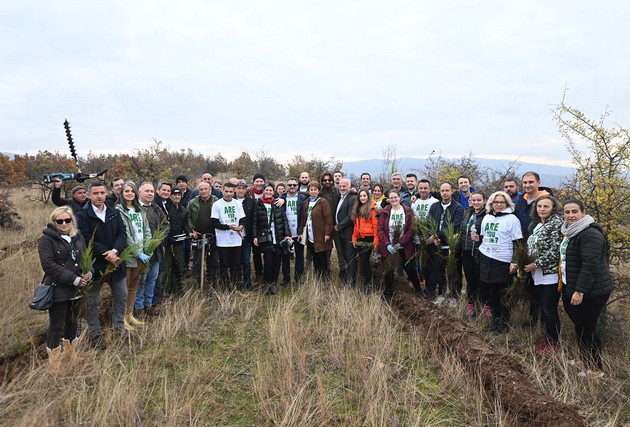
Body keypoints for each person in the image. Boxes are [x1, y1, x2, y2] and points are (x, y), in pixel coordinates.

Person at [559, 200, 613, 371]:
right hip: (572, 286)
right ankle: (584, 358)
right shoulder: (570, 232)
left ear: (583, 212)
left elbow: (590, 266)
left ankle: (595, 369)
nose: (570, 215)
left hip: (591, 291)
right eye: (567, 212)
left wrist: (579, 291)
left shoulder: (589, 234)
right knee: (580, 326)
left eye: (574, 211)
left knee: (587, 328)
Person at [76, 181, 128, 350]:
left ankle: (119, 329)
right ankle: (96, 335)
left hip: (116, 263)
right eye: (96, 193)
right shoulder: (82, 215)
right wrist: (107, 254)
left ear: (106, 194)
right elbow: (86, 238)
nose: (99, 196)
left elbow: (122, 233)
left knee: (121, 296)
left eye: (102, 193)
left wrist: (115, 250)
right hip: (95, 266)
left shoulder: (114, 212)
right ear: (89, 195)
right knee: (92, 301)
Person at [38, 206, 91, 370]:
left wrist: (89, 272)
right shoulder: (46, 240)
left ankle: (70, 354)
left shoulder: (78, 236)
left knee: (72, 321)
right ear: (53, 222)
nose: (63, 223)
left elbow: (87, 256)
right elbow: (49, 265)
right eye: (59, 221)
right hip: (58, 288)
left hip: (77, 289)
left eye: (67, 220)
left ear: (72, 220)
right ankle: (54, 362)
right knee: (56, 325)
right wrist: (73, 279)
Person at [471, 191, 523, 335]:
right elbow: (484, 237)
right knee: (489, 291)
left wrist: (515, 262)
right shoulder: (487, 218)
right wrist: (477, 239)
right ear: (491, 204)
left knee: (502, 293)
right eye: (496, 202)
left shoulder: (512, 219)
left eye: (502, 202)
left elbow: (517, 243)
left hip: (503, 260)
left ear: (507, 204)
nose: (499, 205)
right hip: (486, 257)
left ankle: (504, 322)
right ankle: (495, 319)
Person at [523, 195, 563, 354]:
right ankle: (548, 339)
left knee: (549, 309)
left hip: (550, 274)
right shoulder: (539, 225)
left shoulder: (556, 224)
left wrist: (536, 264)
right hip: (538, 274)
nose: (542, 209)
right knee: (544, 309)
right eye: (539, 206)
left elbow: (555, 251)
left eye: (546, 206)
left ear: (553, 208)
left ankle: (554, 343)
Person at [115, 182, 152, 330]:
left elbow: (146, 230)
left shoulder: (139, 210)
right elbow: (126, 234)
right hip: (129, 255)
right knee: (124, 287)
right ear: (122, 194)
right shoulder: (119, 210)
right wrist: (137, 252)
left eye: (132, 191)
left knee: (134, 286)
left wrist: (148, 248)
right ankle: (121, 318)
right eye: (126, 191)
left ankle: (130, 315)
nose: (129, 193)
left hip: (141, 254)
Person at [377, 190, 422, 300]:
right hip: (390, 247)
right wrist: (387, 244)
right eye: (391, 198)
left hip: (404, 246)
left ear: (399, 197)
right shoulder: (385, 212)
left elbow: (411, 230)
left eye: (395, 197)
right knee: (389, 269)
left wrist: (401, 242)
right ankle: (388, 292)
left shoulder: (407, 211)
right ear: (388, 199)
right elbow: (380, 229)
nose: (393, 199)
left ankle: (418, 290)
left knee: (410, 269)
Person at [426, 182, 465, 304]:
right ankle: (441, 293)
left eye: (447, 190)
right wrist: (434, 238)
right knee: (439, 269)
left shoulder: (458, 208)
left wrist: (438, 235)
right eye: (442, 190)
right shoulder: (434, 206)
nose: (444, 193)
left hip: (451, 245)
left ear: (452, 191)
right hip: (437, 245)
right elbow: (429, 223)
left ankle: (454, 296)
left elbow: (455, 226)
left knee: (453, 271)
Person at [135, 182, 170, 317]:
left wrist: (157, 239)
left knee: (152, 279)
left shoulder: (156, 209)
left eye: (151, 191)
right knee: (140, 280)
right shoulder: (135, 209)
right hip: (139, 252)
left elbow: (166, 225)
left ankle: (148, 305)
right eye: (147, 191)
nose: (150, 194)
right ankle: (138, 307)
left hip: (156, 250)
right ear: (139, 193)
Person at [252, 183, 291, 294]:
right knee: (268, 262)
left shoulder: (277, 203)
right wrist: (255, 236)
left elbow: (284, 220)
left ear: (273, 192)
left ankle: (274, 283)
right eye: (267, 190)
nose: (268, 192)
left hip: (278, 236)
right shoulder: (259, 204)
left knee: (277, 261)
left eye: (270, 190)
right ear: (264, 191)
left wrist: (287, 234)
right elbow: (255, 222)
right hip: (266, 237)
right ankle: (267, 283)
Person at [458, 192, 487, 317]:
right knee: (470, 280)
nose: (475, 202)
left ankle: (484, 304)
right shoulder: (468, 212)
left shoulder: (487, 215)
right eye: (473, 200)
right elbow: (462, 232)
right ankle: (470, 304)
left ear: (484, 201)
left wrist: (479, 239)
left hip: (479, 252)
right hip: (466, 251)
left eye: (478, 200)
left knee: (481, 280)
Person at [211, 182, 245, 288]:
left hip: (236, 240)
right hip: (223, 241)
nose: (229, 194)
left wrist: (241, 226)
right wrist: (228, 227)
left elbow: (243, 219)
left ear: (234, 191)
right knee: (224, 265)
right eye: (226, 191)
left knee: (236, 264)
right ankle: (225, 286)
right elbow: (215, 223)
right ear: (222, 191)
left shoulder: (238, 203)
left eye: (231, 191)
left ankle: (236, 285)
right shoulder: (217, 204)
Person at [297, 182, 333, 278]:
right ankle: (318, 277)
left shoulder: (323, 202)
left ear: (318, 191)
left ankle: (325, 278)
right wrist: (300, 232)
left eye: (315, 190)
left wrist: (327, 233)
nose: (313, 192)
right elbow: (303, 219)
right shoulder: (306, 202)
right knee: (315, 256)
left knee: (323, 257)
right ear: (308, 191)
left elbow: (328, 219)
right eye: (311, 190)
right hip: (310, 233)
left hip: (321, 234)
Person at [187, 181, 219, 287]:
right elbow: (188, 218)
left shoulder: (216, 201)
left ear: (210, 190)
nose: (203, 191)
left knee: (213, 260)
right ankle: (198, 283)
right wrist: (192, 230)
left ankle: (212, 282)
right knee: (198, 261)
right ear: (198, 191)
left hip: (213, 235)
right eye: (201, 189)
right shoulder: (193, 203)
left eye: (206, 189)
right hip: (198, 236)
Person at [162, 188, 190, 295]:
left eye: (179, 195)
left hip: (179, 242)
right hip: (168, 243)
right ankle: (165, 289)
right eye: (174, 195)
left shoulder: (184, 210)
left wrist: (189, 232)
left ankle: (178, 289)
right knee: (166, 267)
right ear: (170, 196)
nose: (177, 197)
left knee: (179, 266)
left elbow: (185, 225)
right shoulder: (167, 209)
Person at [280, 178, 306, 284]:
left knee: (299, 256)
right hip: (286, 232)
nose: (292, 187)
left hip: (299, 232)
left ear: (297, 186)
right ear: (287, 186)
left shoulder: (303, 198)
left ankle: (298, 278)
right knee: (285, 256)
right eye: (290, 185)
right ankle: (286, 278)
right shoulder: (282, 198)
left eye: (294, 185)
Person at [351, 189, 379, 291]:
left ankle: (369, 284)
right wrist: (354, 239)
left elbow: (376, 226)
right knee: (362, 262)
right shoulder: (357, 208)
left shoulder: (372, 208)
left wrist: (376, 241)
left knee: (364, 261)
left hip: (368, 238)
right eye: (361, 196)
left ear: (368, 196)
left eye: (364, 196)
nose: (362, 198)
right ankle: (366, 281)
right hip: (360, 238)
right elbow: (355, 226)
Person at [335, 178, 358, 284]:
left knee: (350, 257)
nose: (342, 188)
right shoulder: (341, 197)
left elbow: (350, 216)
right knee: (345, 256)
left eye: (344, 186)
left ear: (349, 187)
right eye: (340, 186)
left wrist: (339, 226)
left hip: (348, 232)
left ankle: (351, 281)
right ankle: (348, 278)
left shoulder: (352, 198)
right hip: (342, 233)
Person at [235, 180, 256, 289]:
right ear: (235, 189)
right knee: (236, 261)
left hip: (246, 236)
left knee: (246, 261)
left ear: (246, 189)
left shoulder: (251, 202)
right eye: (239, 188)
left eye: (243, 188)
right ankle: (237, 283)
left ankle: (248, 283)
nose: (241, 190)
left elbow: (253, 220)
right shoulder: (231, 200)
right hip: (232, 237)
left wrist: (252, 235)